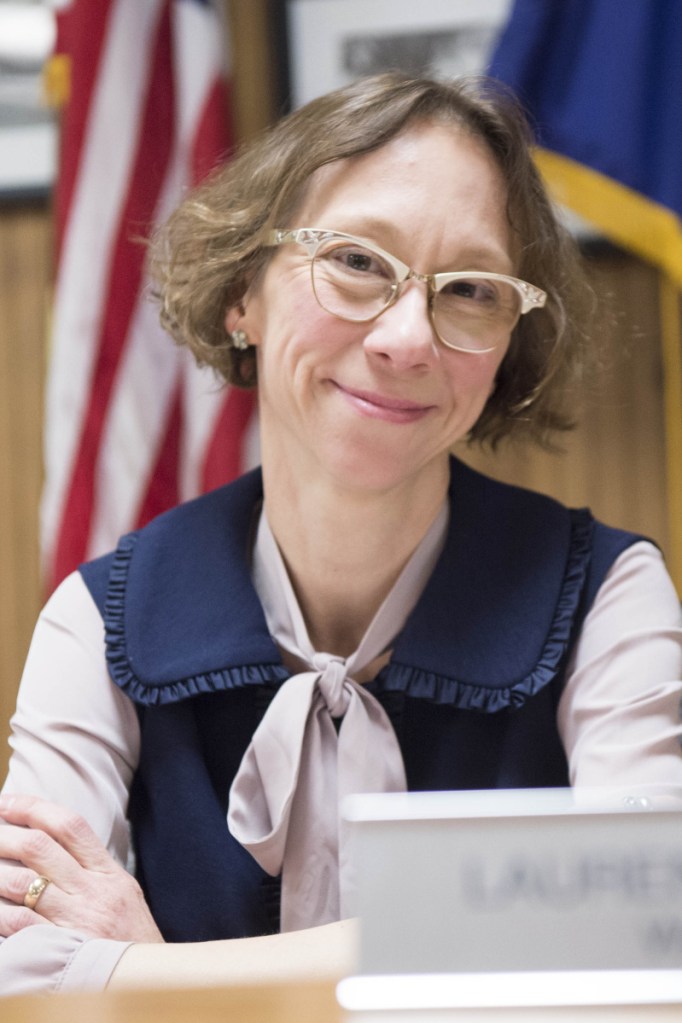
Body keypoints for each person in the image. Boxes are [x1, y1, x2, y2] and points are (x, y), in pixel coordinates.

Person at [1, 72, 681, 996]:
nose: (408, 336)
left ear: (504, 353)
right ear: (245, 291)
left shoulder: (610, 594)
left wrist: (156, 968)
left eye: (470, 288)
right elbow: (23, 976)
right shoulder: (97, 619)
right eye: (357, 260)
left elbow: (647, 933)